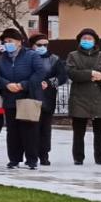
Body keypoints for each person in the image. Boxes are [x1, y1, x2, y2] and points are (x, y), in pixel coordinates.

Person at [65, 27, 101, 166]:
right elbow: (72, 73)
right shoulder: (73, 55)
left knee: (100, 132)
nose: (87, 41)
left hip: (100, 97)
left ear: (95, 41)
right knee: (79, 131)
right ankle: (78, 157)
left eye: (89, 38)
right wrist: (90, 74)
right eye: (84, 39)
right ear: (79, 40)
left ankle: (100, 157)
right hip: (79, 97)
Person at [0, 28, 49, 170]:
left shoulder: (31, 55)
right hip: (10, 97)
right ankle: (14, 159)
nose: (8, 44)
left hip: (28, 97)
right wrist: (7, 84)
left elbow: (40, 72)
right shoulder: (1, 58)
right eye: (5, 42)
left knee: (29, 129)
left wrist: (22, 85)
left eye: (10, 41)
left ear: (19, 42)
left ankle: (31, 159)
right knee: (12, 131)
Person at [31, 34, 68, 166]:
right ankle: (31, 155)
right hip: (30, 96)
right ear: (33, 45)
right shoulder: (27, 57)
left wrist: (50, 82)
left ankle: (44, 154)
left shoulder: (54, 59)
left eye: (45, 45)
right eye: (39, 45)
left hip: (47, 97)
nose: (42, 47)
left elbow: (62, 76)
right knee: (31, 128)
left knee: (45, 128)